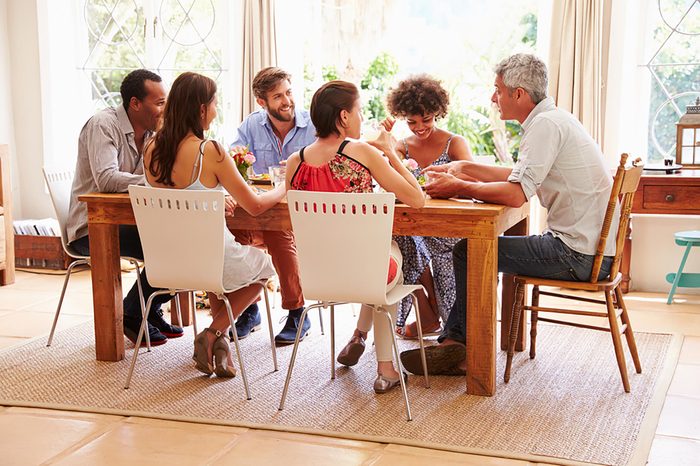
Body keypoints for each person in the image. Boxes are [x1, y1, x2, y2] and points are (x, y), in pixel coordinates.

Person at [400, 53, 618, 375]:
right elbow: (520, 175)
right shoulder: (555, 119)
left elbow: (516, 195)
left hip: (575, 255)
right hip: (590, 250)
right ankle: (456, 342)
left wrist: (458, 186)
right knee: (472, 250)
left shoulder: (544, 126)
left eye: (498, 90)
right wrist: (464, 168)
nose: (493, 97)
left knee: (468, 250)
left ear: (519, 94)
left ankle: (460, 346)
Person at [285, 80, 425, 393]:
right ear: (345, 117)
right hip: (366, 269)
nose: (362, 118)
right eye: (359, 111)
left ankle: (359, 337)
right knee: (383, 265)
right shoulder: (361, 152)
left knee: (372, 264)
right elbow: (417, 199)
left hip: (318, 273)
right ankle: (386, 368)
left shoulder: (295, 162)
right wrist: (390, 152)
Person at [143, 72, 284, 377]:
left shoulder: (151, 149)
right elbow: (256, 206)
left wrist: (216, 200)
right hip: (210, 258)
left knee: (222, 275)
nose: (216, 110)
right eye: (215, 103)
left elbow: (182, 198)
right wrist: (284, 187)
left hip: (167, 260)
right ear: (200, 108)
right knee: (263, 269)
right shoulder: (212, 152)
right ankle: (212, 334)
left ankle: (220, 347)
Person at [67, 69, 183, 347]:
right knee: (173, 247)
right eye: (159, 103)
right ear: (135, 103)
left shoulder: (154, 132)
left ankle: (148, 308)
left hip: (135, 220)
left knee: (188, 241)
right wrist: (157, 183)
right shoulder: (103, 125)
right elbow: (106, 179)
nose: (165, 109)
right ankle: (133, 311)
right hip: (93, 227)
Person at [381, 74, 473, 339]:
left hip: (447, 229)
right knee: (403, 239)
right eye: (411, 122)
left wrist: (448, 181)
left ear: (438, 112)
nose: (419, 127)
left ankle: (435, 317)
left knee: (411, 242)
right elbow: (387, 178)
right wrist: (386, 143)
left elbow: (470, 178)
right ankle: (427, 314)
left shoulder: (453, 143)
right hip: (416, 227)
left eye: (426, 119)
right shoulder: (402, 147)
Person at [230, 67, 317, 344]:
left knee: (279, 234)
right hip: (262, 212)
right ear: (262, 102)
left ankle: (297, 312)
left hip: (306, 218)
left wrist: (302, 169)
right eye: (278, 96)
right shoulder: (250, 126)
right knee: (236, 232)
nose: (287, 100)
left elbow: (332, 163)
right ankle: (249, 308)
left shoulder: (315, 124)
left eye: (289, 92)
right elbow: (235, 164)